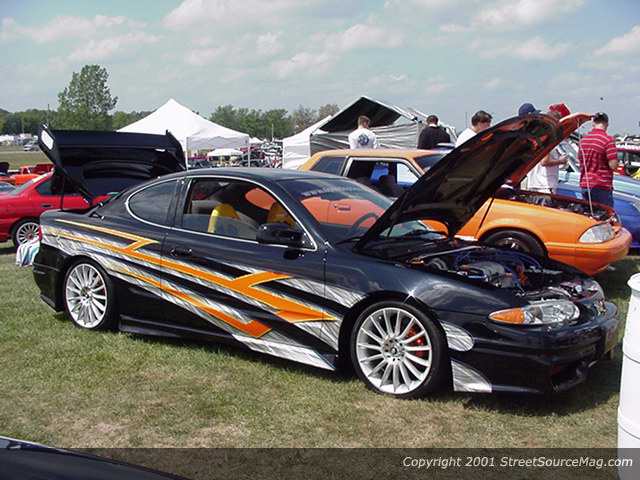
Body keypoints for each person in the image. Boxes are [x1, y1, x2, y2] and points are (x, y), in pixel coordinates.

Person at [578, 112, 617, 207]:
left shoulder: (583, 140)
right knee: (604, 214)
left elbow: (580, 159)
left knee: (586, 214)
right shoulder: (608, 140)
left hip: (585, 183)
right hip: (601, 185)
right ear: (607, 124)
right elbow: (613, 165)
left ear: (593, 123)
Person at [526, 110, 568, 194]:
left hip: (534, 183)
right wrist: (561, 161)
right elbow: (545, 161)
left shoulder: (535, 137)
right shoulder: (549, 139)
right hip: (545, 185)